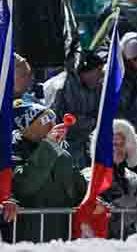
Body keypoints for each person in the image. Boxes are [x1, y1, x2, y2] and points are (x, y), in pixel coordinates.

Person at [11, 100, 88, 242]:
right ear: (26, 126)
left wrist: (94, 196)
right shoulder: (13, 152)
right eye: (45, 119)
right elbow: (24, 186)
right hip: (27, 239)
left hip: (61, 238)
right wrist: (49, 147)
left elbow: (77, 191)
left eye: (53, 118)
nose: (53, 124)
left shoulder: (62, 154)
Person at [81, 119, 137, 238]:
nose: (118, 149)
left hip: (132, 243)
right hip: (101, 243)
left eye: (122, 144)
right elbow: (91, 208)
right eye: (114, 144)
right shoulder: (89, 177)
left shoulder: (133, 178)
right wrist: (116, 206)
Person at [50, 50, 106, 164]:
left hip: (88, 140)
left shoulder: (97, 86)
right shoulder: (62, 87)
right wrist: (92, 122)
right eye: (99, 70)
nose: (102, 75)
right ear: (85, 72)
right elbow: (58, 120)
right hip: (66, 143)